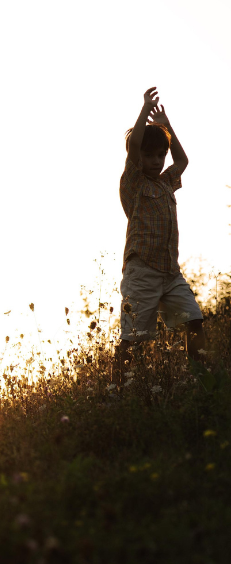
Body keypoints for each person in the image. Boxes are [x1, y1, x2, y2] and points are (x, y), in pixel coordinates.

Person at [116, 86, 203, 378]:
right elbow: (134, 147)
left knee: (193, 320)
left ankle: (200, 378)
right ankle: (117, 391)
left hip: (169, 274)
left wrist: (167, 126)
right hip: (142, 273)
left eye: (159, 155)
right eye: (149, 155)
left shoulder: (166, 182)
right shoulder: (134, 183)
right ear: (138, 157)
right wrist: (144, 110)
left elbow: (182, 161)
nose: (156, 160)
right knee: (133, 340)